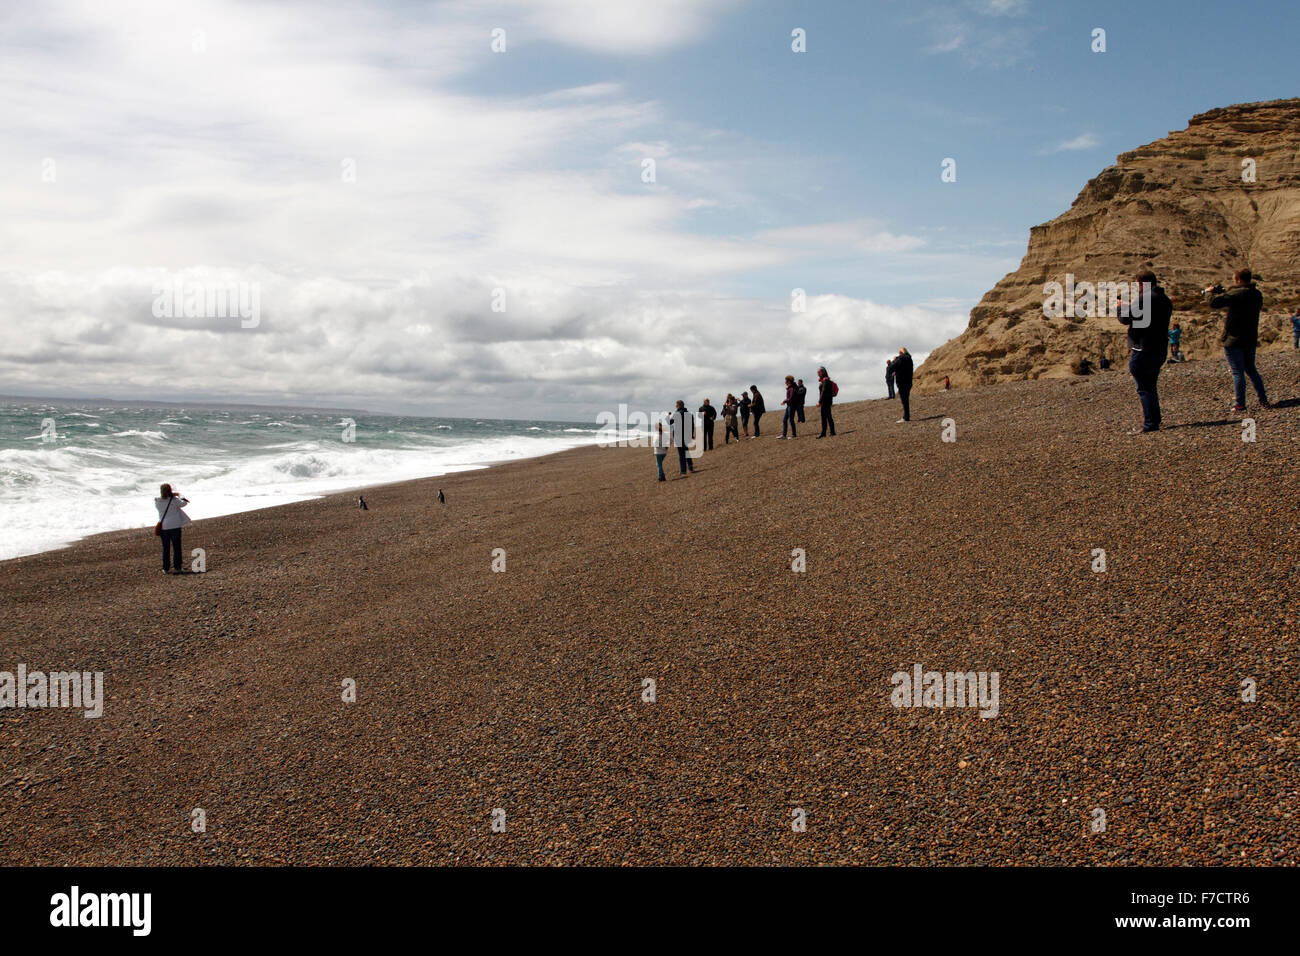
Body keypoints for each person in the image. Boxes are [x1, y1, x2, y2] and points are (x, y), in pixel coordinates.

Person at [1206, 268, 1272, 412]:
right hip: (1250, 337)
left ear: (1238, 279)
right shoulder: (1256, 294)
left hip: (1234, 338)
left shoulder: (1238, 293)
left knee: (1237, 372)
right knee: (1251, 369)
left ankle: (1240, 403)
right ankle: (1263, 399)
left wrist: (1208, 292)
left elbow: (1215, 303)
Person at [1119, 270, 1173, 432]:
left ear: (1142, 284)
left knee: (1144, 387)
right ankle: (1154, 419)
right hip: (1160, 347)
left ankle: (1150, 422)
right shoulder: (1164, 299)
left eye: (1137, 285)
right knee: (1150, 386)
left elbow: (1125, 319)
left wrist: (1120, 308)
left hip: (1144, 348)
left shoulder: (1145, 299)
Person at [154, 483, 192, 575]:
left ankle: (166, 568)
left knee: (166, 548)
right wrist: (179, 495)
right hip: (175, 525)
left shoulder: (157, 502)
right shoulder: (174, 500)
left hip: (164, 527)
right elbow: (184, 503)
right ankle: (177, 567)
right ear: (170, 490)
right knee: (176, 547)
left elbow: (165, 500)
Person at [670, 400, 696, 475]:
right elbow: (692, 425)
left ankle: (683, 470)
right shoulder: (689, 414)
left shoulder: (678, 414)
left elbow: (669, 422)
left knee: (681, 454)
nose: (675, 406)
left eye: (676, 405)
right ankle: (690, 466)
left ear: (679, 406)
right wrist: (691, 435)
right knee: (686, 451)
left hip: (679, 436)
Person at [893, 349, 914, 422]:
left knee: (904, 400)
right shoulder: (910, 359)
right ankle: (906, 416)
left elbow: (892, 367)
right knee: (906, 399)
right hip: (909, 381)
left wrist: (894, 360)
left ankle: (906, 417)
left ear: (900, 353)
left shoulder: (900, 359)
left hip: (901, 382)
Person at [816, 366, 836, 438]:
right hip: (827, 401)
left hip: (825, 401)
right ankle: (829, 432)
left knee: (826, 417)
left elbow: (823, 392)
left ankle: (826, 433)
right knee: (827, 416)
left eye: (818, 372)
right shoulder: (826, 380)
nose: (817, 374)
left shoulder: (825, 380)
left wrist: (819, 401)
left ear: (822, 372)